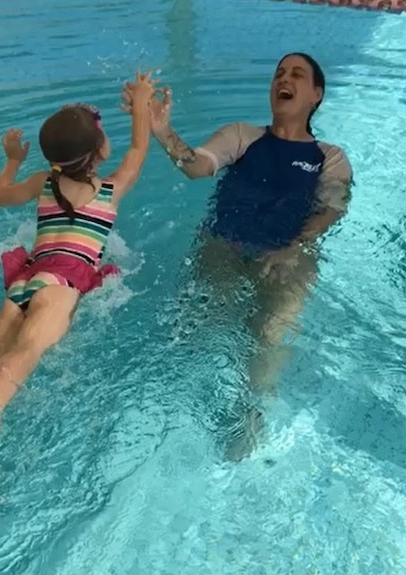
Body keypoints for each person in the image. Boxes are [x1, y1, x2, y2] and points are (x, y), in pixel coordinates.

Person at [0, 71, 156, 496]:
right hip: (63, 280)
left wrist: (13, 159)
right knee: (28, 350)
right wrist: (141, 101)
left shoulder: (42, 182)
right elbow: (141, 148)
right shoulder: (109, 190)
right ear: (99, 151)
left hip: (27, 278)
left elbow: (1, 196)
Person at [121, 53, 352, 460]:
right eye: (279, 73)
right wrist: (163, 132)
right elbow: (197, 166)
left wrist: (293, 246)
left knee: (267, 334)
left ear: (316, 94)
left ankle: (251, 411)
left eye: (297, 74)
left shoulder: (329, 157)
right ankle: (173, 409)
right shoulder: (243, 136)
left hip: (288, 256)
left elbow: (331, 209)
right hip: (223, 247)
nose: (284, 78)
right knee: (197, 328)